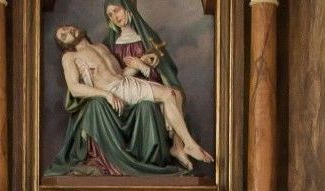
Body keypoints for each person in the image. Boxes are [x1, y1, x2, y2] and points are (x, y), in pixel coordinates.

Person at [48, 25, 214, 175]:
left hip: (124, 83)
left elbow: (119, 74)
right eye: (64, 36)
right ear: (65, 45)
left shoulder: (100, 46)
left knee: (175, 93)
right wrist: (106, 94)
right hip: (114, 90)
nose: (68, 31)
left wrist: (139, 64)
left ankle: (178, 147)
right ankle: (189, 144)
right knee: (168, 95)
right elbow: (75, 89)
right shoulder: (70, 56)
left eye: (67, 28)